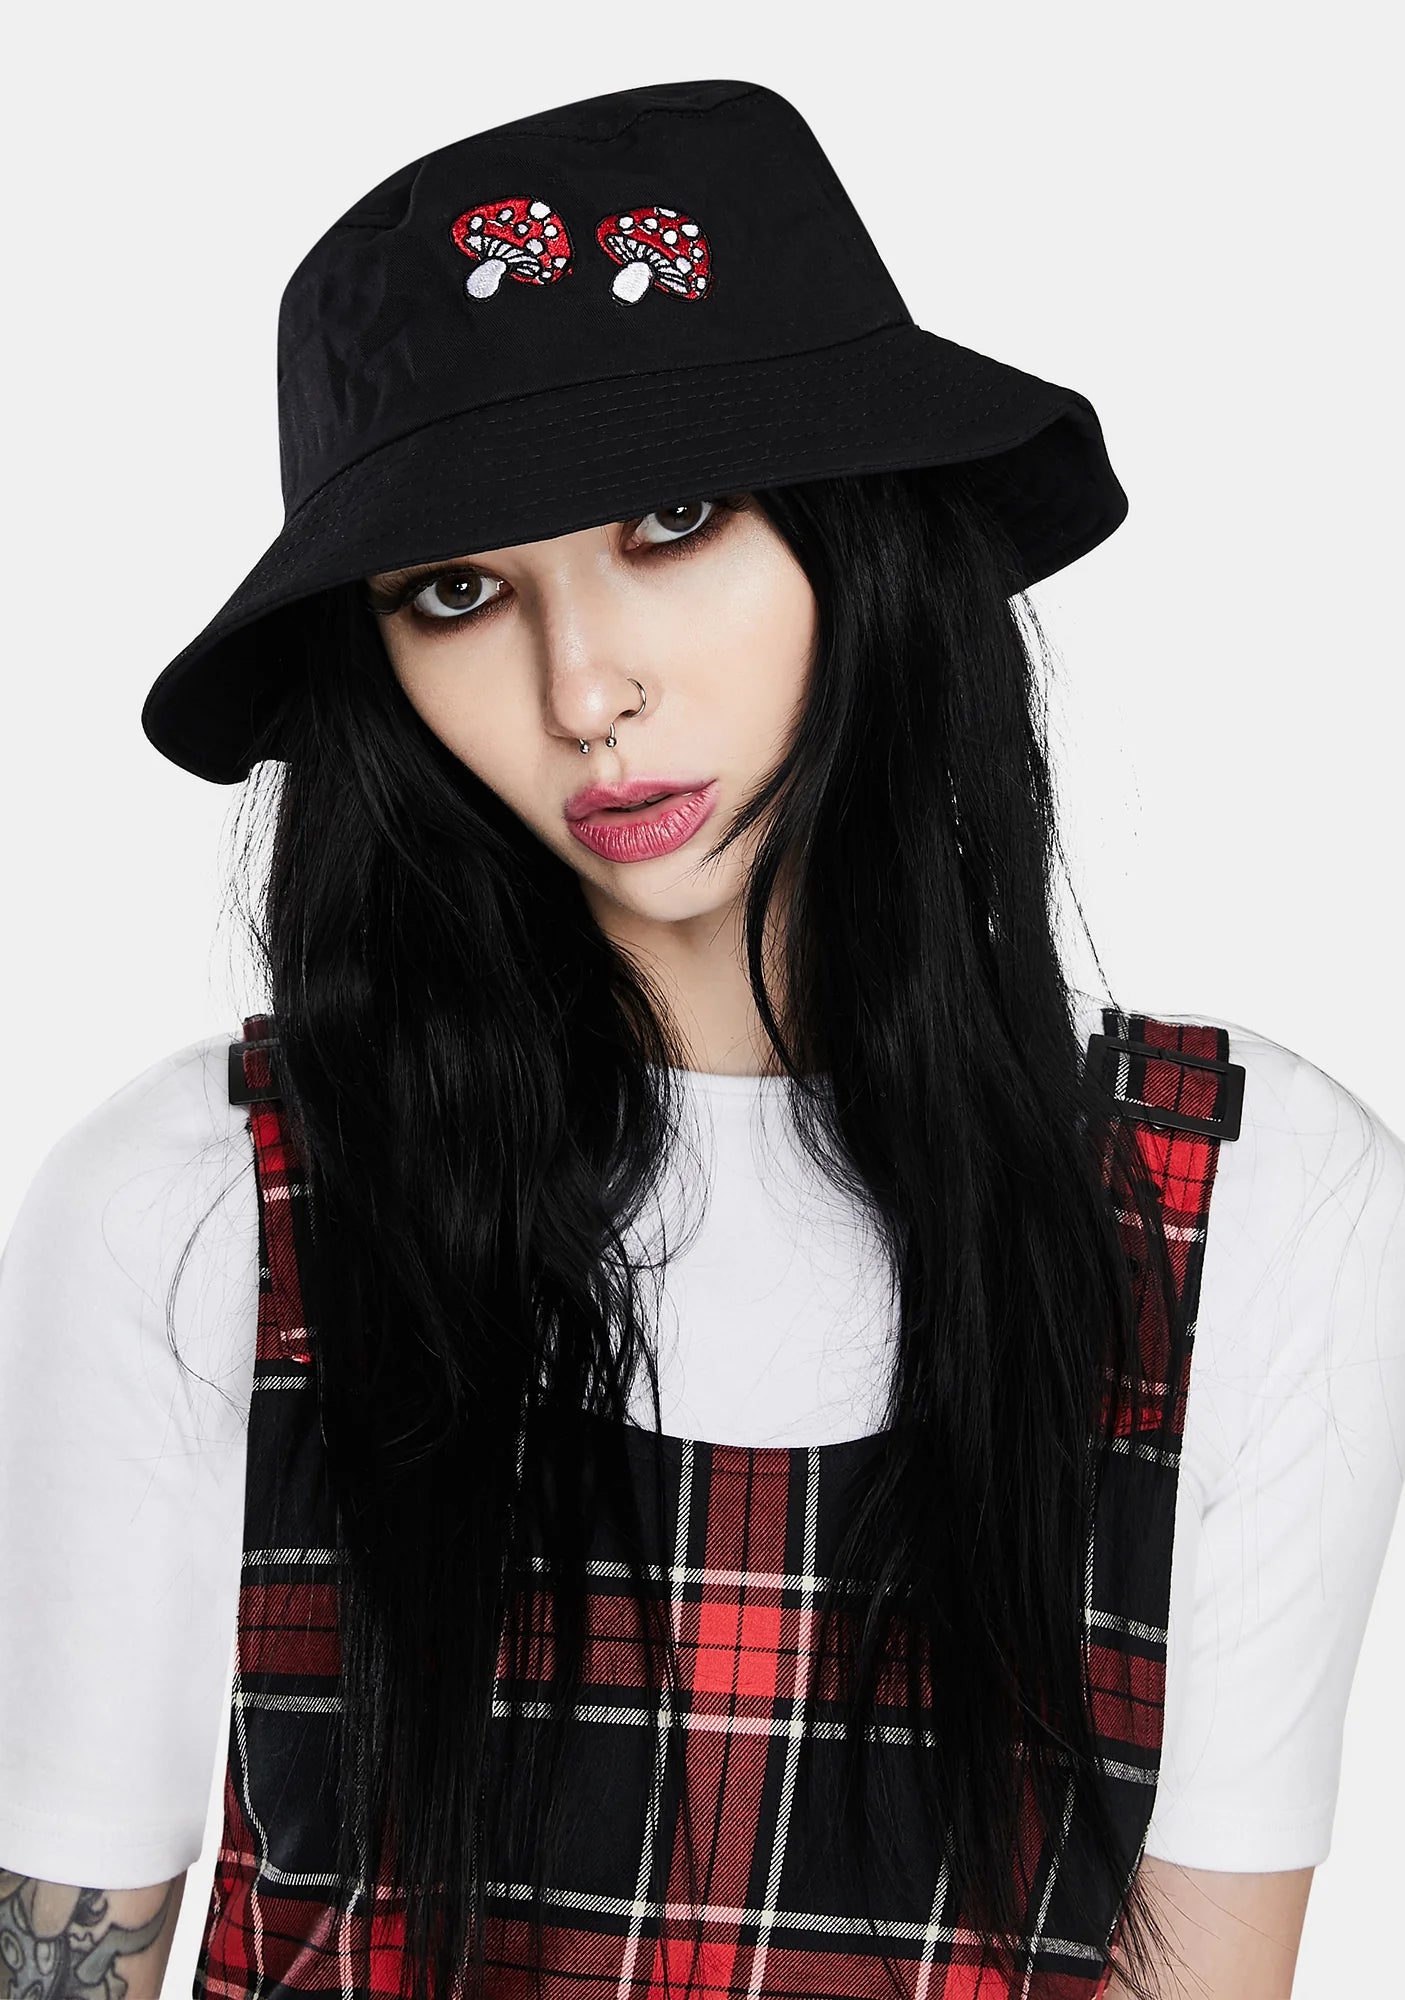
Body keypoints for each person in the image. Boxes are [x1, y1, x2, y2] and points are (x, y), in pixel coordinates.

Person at [1, 77, 1402, 2000]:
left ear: (862, 532)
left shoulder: (1246, 1208)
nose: (586, 690)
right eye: (459, 591)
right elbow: (65, 1941)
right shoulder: (198, 1206)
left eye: (673, 520)